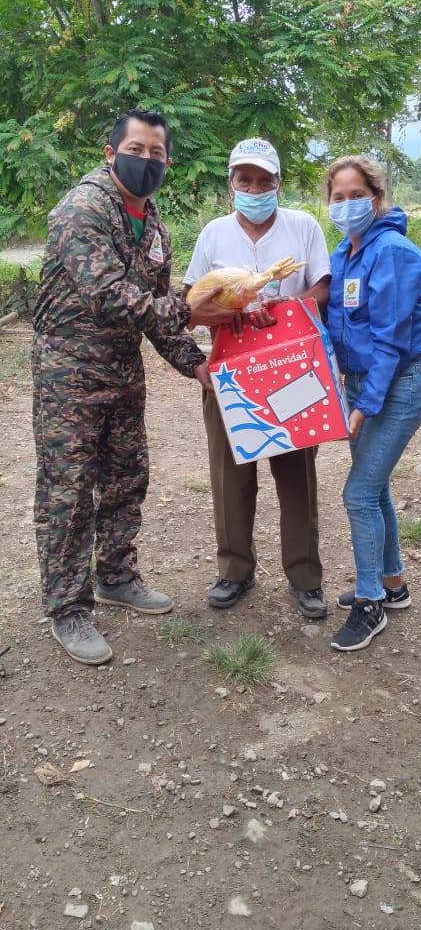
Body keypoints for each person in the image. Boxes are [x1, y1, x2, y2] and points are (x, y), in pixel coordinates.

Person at [33, 108, 235, 666]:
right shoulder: (82, 209)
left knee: (126, 478)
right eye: (136, 150)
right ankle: (68, 607)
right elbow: (109, 295)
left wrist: (196, 365)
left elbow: (156, 315)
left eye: (156, 153)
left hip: (123, 374)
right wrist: (191, 310)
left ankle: (116, 577)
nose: (146, 161)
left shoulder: (155, 226)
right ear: (111, 153)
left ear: (167, 161)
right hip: (69, 377)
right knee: (69, 492)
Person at [183, 137, 331, 618]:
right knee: (230, 476)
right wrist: (231, 314)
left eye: (264, 180)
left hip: (291, 371)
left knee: (296, 476)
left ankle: (305, 577)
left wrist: (286, 307)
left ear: (278, 183)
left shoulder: (302, 226)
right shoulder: (214, 234)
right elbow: (191, 303)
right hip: (229, 371)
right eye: (244, 180)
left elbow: (322, 286)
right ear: (231, 185)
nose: (254, 188)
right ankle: (235, 571)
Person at [326, 155, 421, 652]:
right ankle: (392, 585)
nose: (347, 204)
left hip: (403, 380)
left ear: (377, 198)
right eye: (338, 197)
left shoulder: (392, 250)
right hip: (361, 379)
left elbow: (391, 339)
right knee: (375, 487)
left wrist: (364, 405)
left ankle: (369, 602)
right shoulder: (343, 252)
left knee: (358, 493)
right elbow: (334, 321)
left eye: (357, 196)